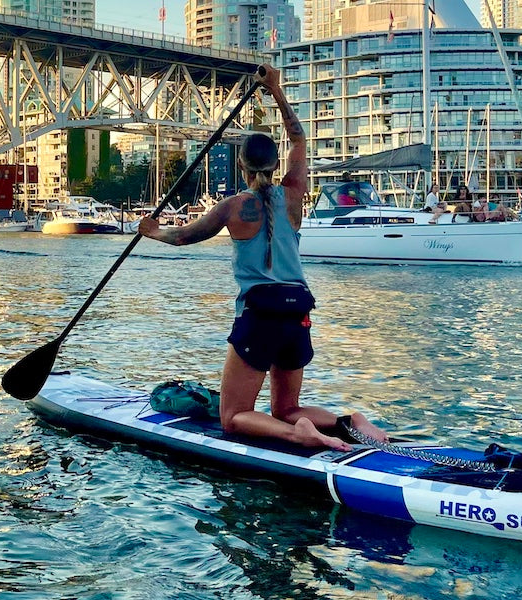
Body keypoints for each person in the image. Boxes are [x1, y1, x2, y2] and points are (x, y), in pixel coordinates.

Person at [137, 65, 388, 452]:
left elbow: (185, 236)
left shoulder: (234, 207)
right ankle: (347, 422)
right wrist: (276, 89)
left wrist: (154, 232)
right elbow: (298, 139)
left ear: (242, 165)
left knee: (233, 416)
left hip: (260, 316)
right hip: (298, 312)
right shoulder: (294, 195)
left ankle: (298, 434)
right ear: (275, 164)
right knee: (286, 407)